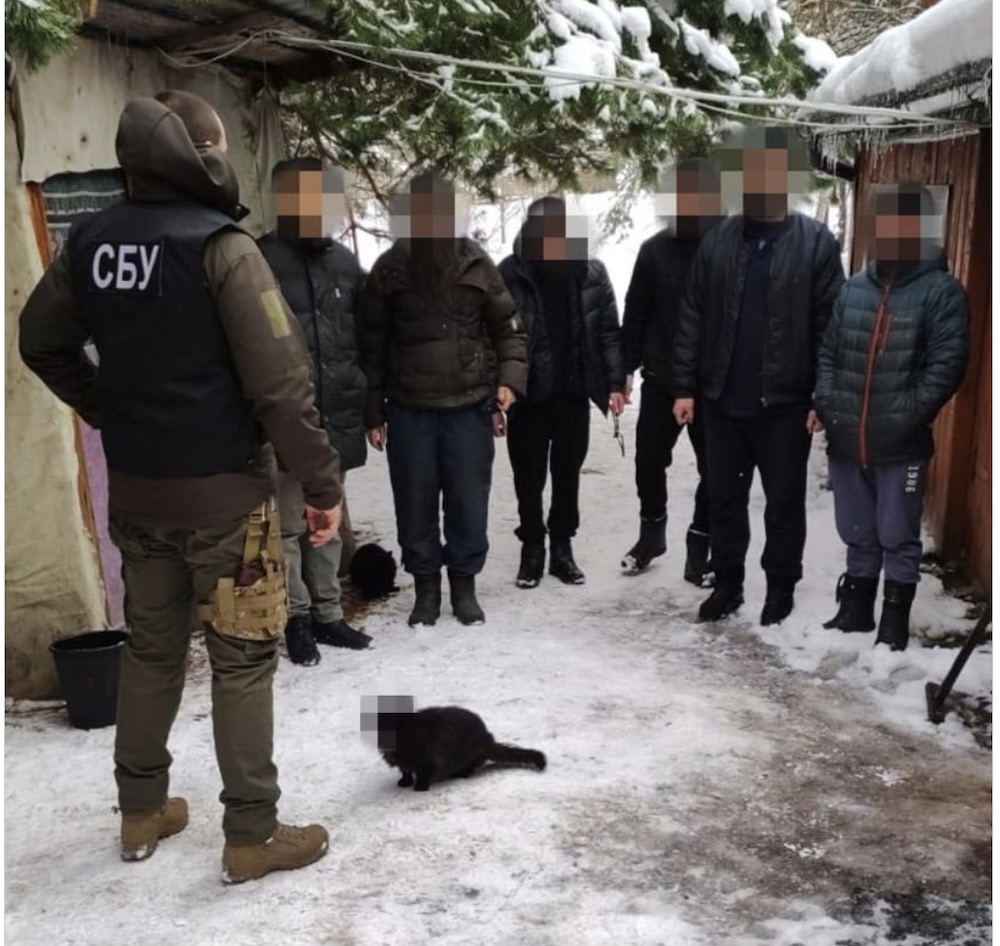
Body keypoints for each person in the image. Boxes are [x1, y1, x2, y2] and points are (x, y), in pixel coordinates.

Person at [18, 91, 341, 884]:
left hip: (138, 496)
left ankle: (141, 812)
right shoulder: (223, 248)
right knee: (240, 660)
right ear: (201, 155)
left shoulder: (90, 242)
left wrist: (109, 408)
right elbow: (282, 385)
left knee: (152, 653)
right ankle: (252, 834)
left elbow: (38, 341)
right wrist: (323, 483)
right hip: (228, 501)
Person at [672, 127, 845, 626]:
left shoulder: (815, 244)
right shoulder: (718, 241)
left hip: (786, 405)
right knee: (724, 499)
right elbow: (692, 316)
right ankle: (727, 583)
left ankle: (780, 586)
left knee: (783, 504)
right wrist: (685, 387)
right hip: (723, 401)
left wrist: (820, 397)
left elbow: (828, 329)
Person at [359, 171, 527, 626]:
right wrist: (373, 411)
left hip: (469, 408)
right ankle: (427, 588)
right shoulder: (389, 269)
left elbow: (508, 329)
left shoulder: (476, 264)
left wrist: (509, 381)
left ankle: (464, 585)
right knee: (414, 503)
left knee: (468, 501)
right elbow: (371, 345)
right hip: (409, 409)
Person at [815, 182, 969, 651]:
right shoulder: (854, 288)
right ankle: (856, 609)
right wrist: (828, 402)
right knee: (856, 530)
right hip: (847, 438)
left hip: (900, 444)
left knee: (896, 533)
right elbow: (828, 352)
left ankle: (893, 621)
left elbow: (946, 367)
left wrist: (907, 414)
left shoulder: (941, 292)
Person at [258, 157, 372, 665]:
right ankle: (296, 618)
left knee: (325, 521)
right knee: (286, 527)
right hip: (283, 420)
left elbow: (361, 344)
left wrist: (369, 408)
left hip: (336, 416)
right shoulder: (258, 260)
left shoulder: (346, 264)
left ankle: (328, 613)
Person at [498, 196, 625, 588]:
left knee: (567, 473)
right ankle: (532, 545)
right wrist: (500, 387)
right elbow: (497, 334)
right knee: (528, 475)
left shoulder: (590, 272)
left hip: (572, 391)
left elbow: (607, 331)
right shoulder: (510, 273)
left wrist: (615, 383)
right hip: (528, 395)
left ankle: (563, 547)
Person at [619, 158, 722, 582]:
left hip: (715, 382)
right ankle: (652, 533)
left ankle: (700, 545)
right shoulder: (654, 250)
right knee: (648, 461)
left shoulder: (726, 246)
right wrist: (621, 372)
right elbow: (635, 314)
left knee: (714, 469)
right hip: (662, 378)